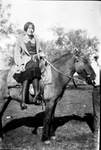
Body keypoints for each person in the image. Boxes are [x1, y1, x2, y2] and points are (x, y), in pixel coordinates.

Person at [13, 22, 45, 110]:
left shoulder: (36, 39)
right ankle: (23, 101)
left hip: (35, 59)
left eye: (32, 28)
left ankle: (37, 96)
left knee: (35, 69)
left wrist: (43, 55)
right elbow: (17, 54)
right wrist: (20, 64)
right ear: (26, 29)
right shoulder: (21, 39)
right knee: (29, 73)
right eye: (29, 28)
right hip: (25, 60)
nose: (31, 30)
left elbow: (40, 51)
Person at [91, 54, 100, 145]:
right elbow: (89, 78)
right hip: (96, 89)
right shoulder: (93, 66)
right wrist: (90, 81)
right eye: (96, 57)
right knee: (96, 111)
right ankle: (96, 131)